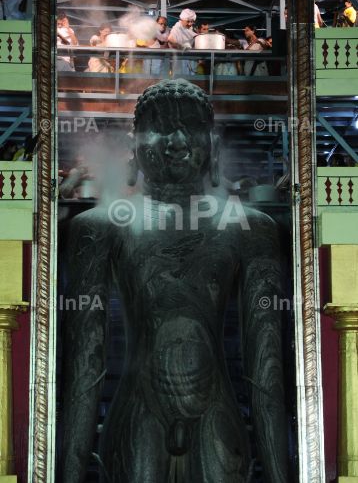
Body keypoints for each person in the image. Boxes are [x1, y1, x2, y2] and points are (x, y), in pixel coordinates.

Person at [58, 79, 289, 483]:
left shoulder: (251, 228)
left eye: (191, 127)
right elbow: (84, 368)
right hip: (136, 414)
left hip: (217, 413)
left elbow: (264, 370)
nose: (177, 141)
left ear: (212, 146)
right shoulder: (99, 227)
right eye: (161, 127)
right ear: (134, 147)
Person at [168, 9, 198, 75]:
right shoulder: (177, 28)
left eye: (192, 21)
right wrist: (180, 46)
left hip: (191, 61)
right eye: (188, 21)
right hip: (179, 61)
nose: (190, 24)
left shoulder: (192, 30)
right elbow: (170, 39)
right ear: (182, 20)